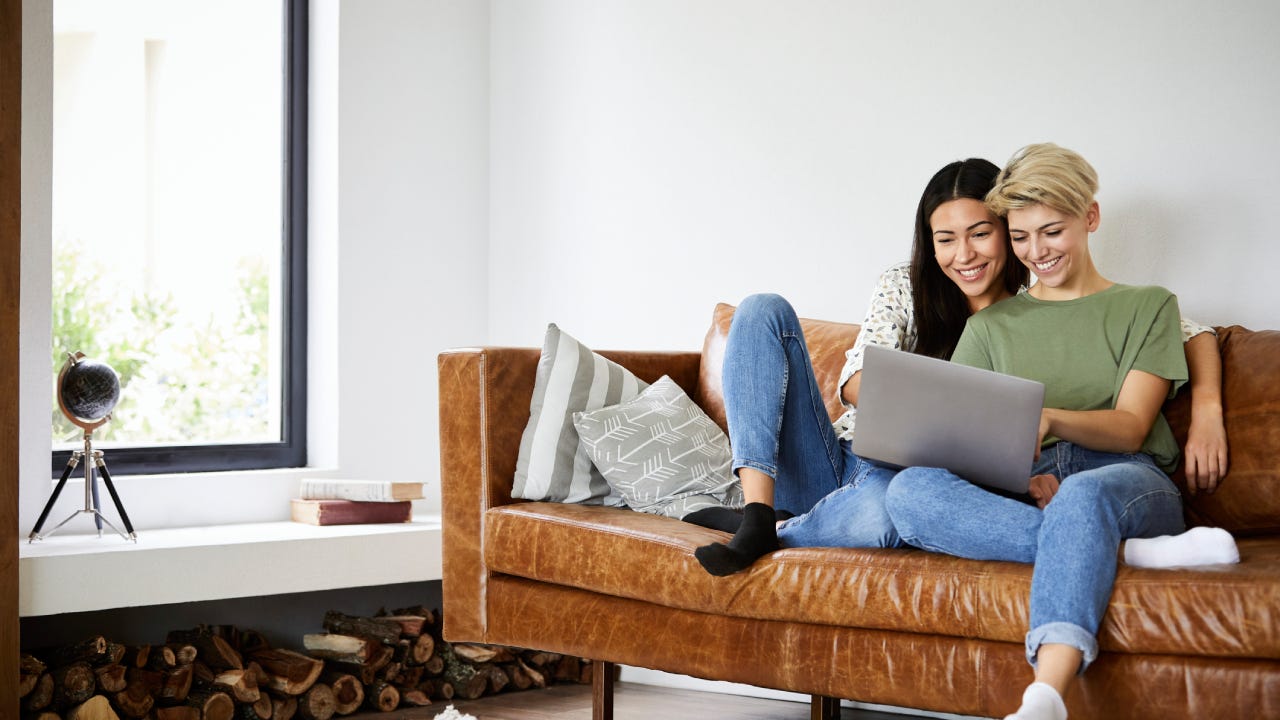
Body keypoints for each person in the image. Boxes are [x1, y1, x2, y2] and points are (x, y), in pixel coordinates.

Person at [692, 154, 1231, 578]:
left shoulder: (1041, 294)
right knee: (762, 310)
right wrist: (937, 406)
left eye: (981, 233)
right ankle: (759, 510)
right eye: (945, 239)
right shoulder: (905, 286)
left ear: (1008, 229)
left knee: (893, 509)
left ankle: (777, 532)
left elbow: (1189, 328)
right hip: (843, 460)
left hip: (905, 485)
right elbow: (854, 382)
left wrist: (1206, 405)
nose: (964, 255)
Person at [880, 143, 1239, 720]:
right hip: (1038, 489)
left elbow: (1129, 427)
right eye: (1020, 237)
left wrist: (1047, 418)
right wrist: (1022, 480)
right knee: (908, 491)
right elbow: (967, 443)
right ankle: (1126, 553)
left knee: (1082, 496)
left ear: (1089, 218)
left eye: (1051, 231)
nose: (1036, 252)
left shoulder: (1148, 307)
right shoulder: (991, 326)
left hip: (1127, 479)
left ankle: (1045, 694)